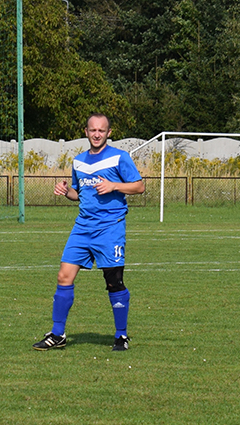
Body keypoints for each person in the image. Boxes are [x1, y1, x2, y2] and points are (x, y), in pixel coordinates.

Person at [33, 112, 145, 352]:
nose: (97, 134)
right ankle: (57, 334)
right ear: (86, 132)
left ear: (109, 133)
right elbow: (78, 193)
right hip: (82, 228)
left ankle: (121, 335)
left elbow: (139, 186)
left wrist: (114, 186)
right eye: (92, 130)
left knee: (114, 282)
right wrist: (66, 191)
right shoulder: (79, 161)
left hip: (110, 228)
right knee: (64, 277)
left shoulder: (120, 157)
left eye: (101, 130)